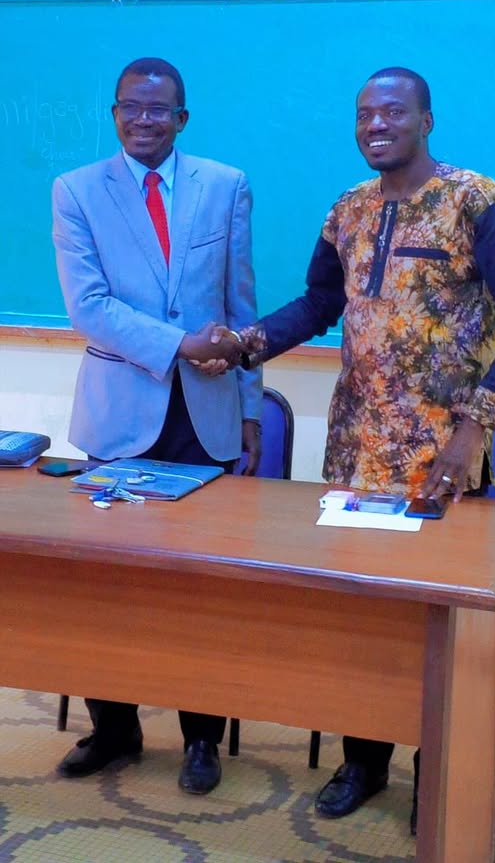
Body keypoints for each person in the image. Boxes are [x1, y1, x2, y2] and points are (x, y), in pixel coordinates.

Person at [209, 66, 495, 832]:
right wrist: (249, 342)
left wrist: (474, 427)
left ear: (426, 120)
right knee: (360, 620)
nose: (375, 124)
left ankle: (434, 768)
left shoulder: (476, 202)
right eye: (363, 114)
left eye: (392, 111)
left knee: (434, 627)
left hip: (442, 466)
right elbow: (322, 302)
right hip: (355, 456)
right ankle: (363, 760)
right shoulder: (347, 209)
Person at [51, 56, 262, 795]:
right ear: (115, 114)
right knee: (109, 587)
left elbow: (240, 303)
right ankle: (115, 729)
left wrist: (248, 406)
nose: (144, 119)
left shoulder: (225, 185)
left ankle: (202, 738)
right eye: (130, 107)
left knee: (202, 589)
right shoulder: (76, 190)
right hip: (118, 417)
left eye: (158, 108)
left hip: (206, 420)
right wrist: (178, 344)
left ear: (182, 118)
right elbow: (88, 305)